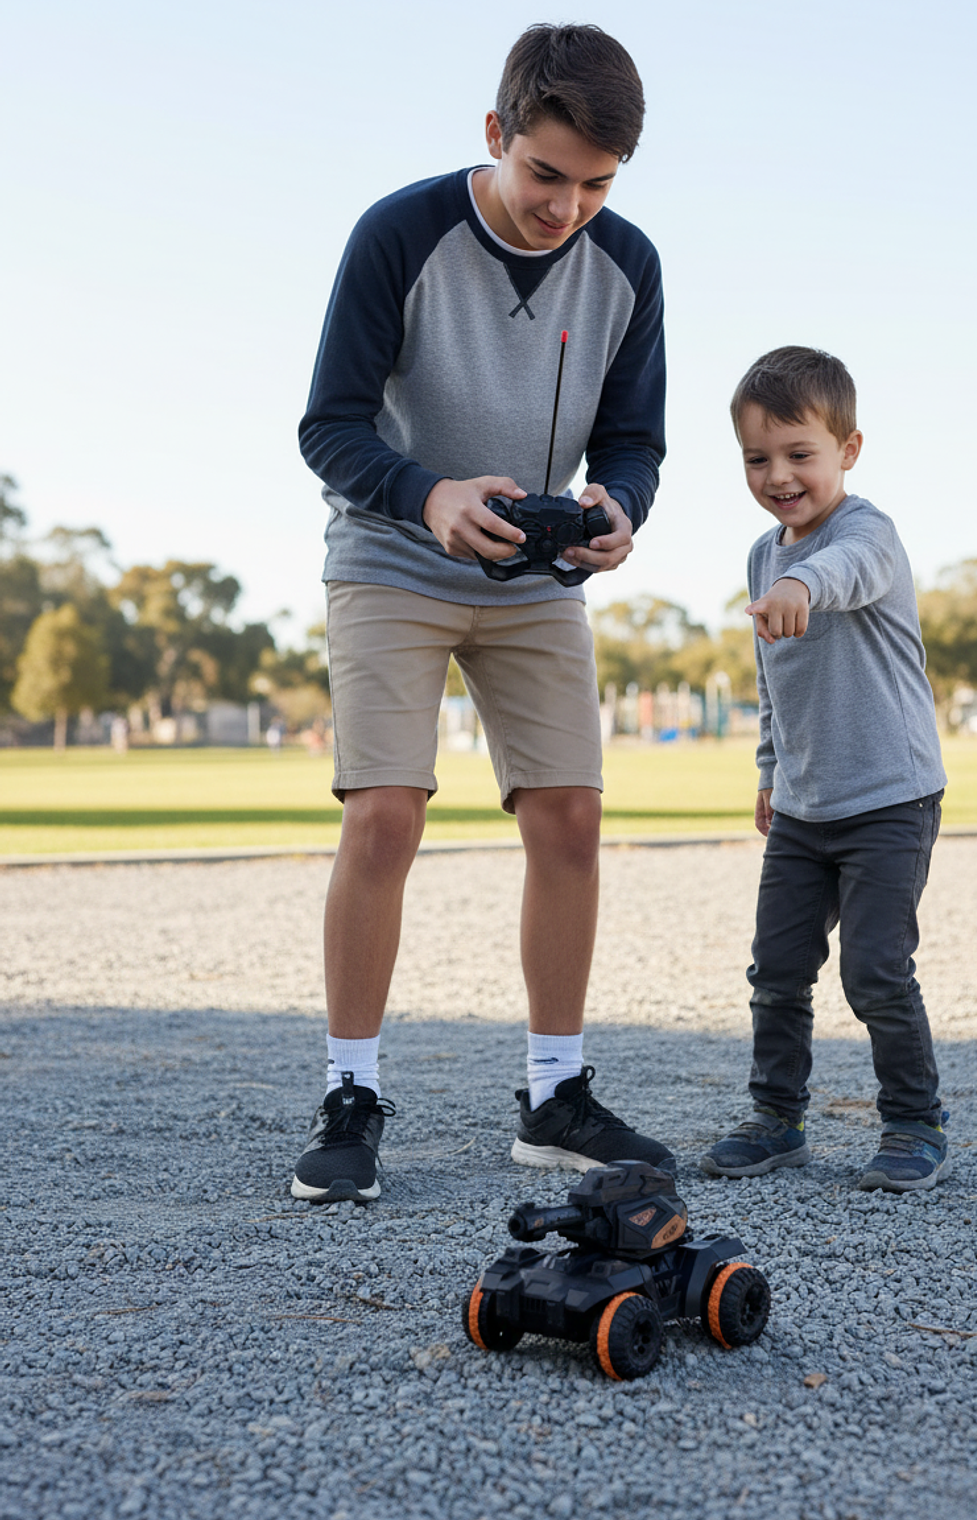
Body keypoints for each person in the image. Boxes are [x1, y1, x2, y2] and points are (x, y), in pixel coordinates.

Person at [291, 23, 672, 1202]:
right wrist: (430, 494)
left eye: (597, 185)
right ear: (498, 131)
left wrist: (621, 507)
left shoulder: (631, 264)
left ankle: (555, 1095)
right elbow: (328, 427)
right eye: (547, 173)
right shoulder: (397, 232)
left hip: (533, 578)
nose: (568, 208)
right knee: (384, 816)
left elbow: (635, 439)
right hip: (392, 557)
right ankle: (351, 1092)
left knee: (570, 818)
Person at [701, 347, 950, 1193]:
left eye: (799, 453)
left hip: (890, 798)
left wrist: (804, 583)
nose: (778, 475)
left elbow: (846, 573)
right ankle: (777, 1120)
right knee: (776, 972)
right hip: (804, 808)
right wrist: (769, 769)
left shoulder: (866, 534)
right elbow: (773, 682)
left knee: (874, 970)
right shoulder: (759, 558)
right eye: (757, 458)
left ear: (848, 449)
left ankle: (915, 1122)